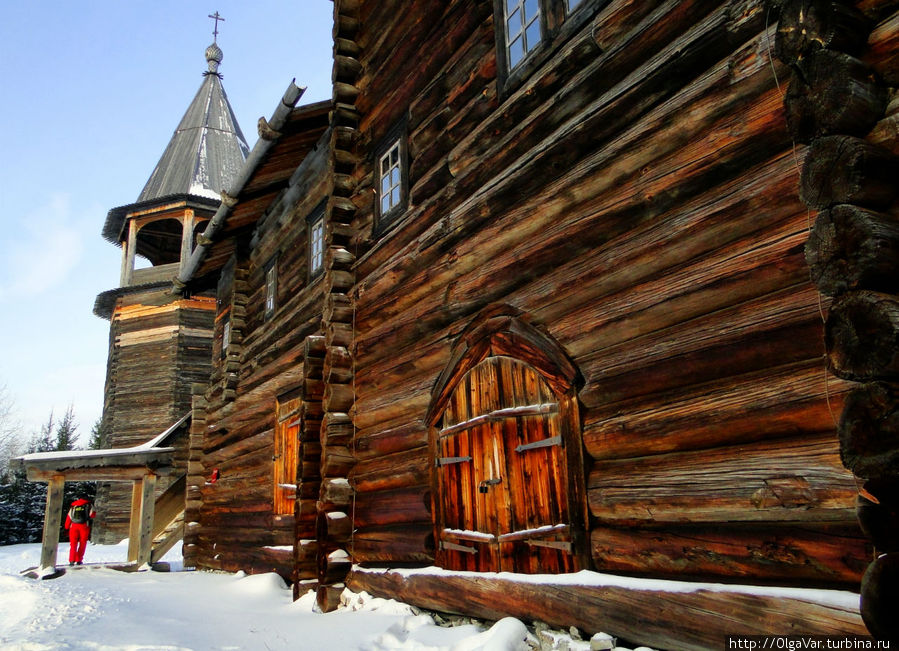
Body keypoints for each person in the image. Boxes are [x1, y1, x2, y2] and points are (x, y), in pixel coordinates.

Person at [64, 495, 95, 566]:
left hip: (73, 526)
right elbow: (92, 515)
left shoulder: (73, 506)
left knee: (73, 544)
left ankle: (71, 560)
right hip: (84, 526)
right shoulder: (89, 505)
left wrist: (66, 527)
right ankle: (79, 560)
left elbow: (69, 517)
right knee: (83, 543)